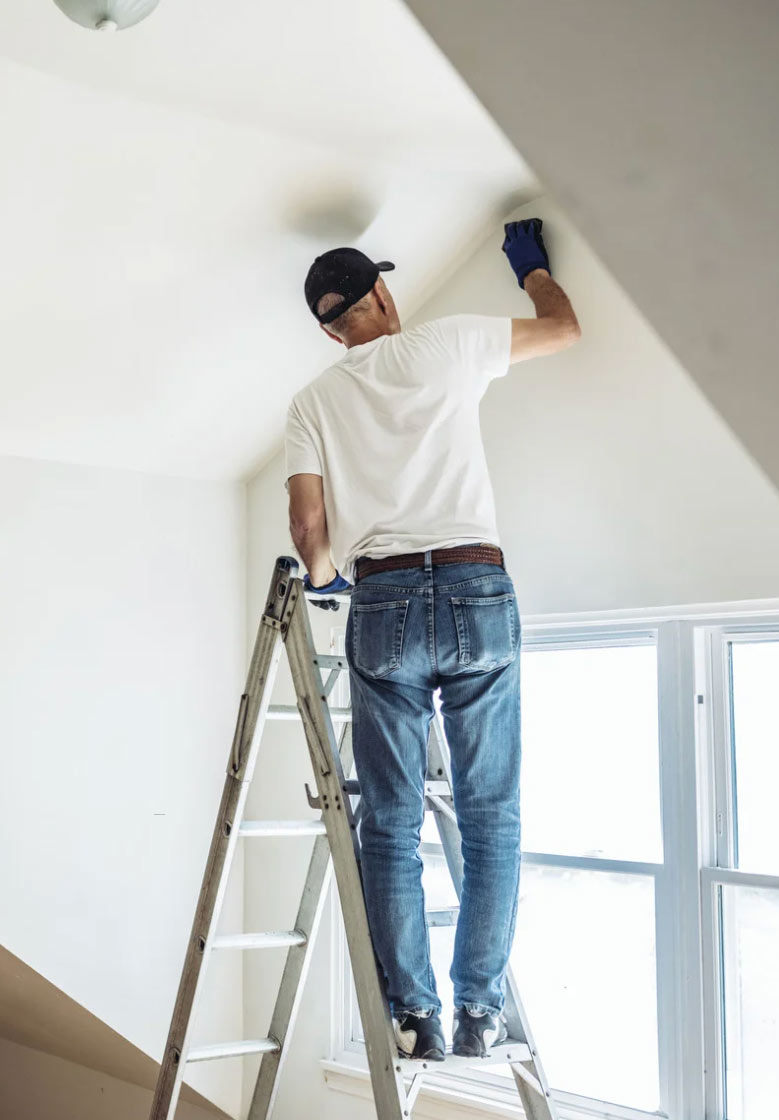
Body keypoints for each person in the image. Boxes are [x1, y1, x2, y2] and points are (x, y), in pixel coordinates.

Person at [284, 219, 580, 1061]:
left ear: (330, 327)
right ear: (381, 295)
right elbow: (564, 330)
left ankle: (414, 1016)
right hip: (475, 584)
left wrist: (332, 580)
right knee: (489, 816)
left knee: (390, 821)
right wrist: (532, 271)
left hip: (381, 604)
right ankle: (479, 1012)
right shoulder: (445, 345)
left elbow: (310, 535)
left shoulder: (312, 402)